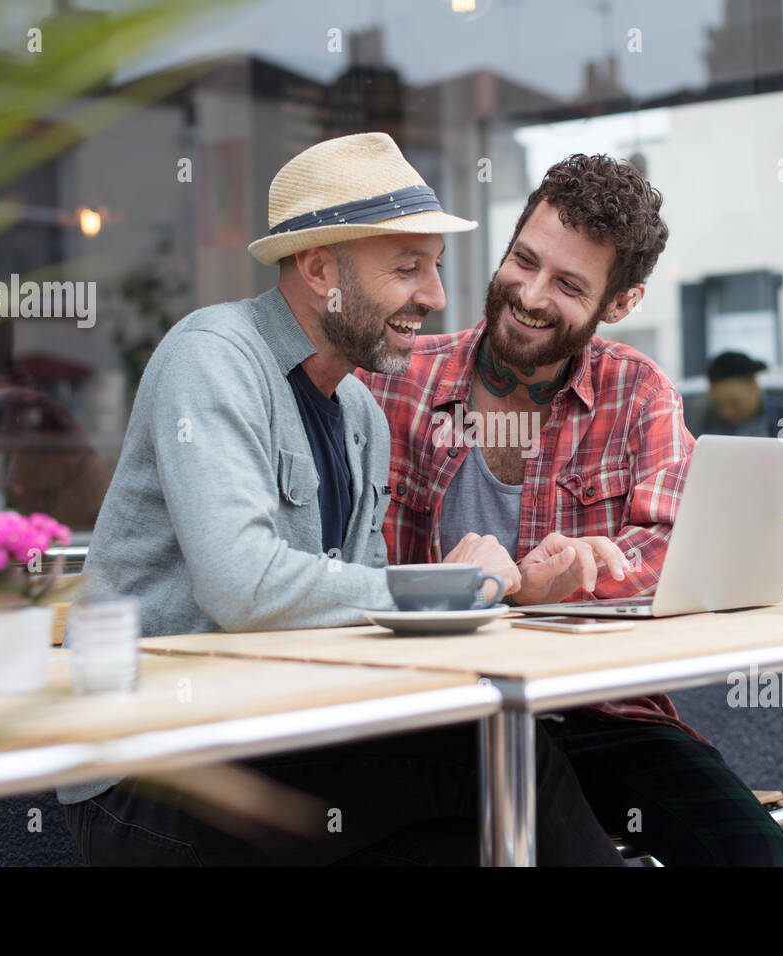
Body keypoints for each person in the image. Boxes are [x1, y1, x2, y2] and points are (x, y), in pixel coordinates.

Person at [58, 133, 623, 866]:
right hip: (149, 773)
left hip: (281, 741)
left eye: (436, 267)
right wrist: (444, 589)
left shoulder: (359, 413)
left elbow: (357, 632)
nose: (437, 296)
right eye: (407, 267)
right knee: (493, 753)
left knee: (473, 828)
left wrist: (508, 591)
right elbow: (242, 585)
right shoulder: (211, 357)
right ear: (319, 267)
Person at [360, 154, 783, 865]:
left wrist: (571, 579)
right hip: (428, 721)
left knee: (760, 859)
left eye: (567, 284)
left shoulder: (637, 393)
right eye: (523, 260)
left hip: (599, 714)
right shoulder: (393, 382)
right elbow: (342, 563)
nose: (529, 294)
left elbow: (674, 549)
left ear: (619, 303)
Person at [700, 350, 783, 439]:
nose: (727, 412)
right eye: (719, 405)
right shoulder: (709, 422)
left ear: (754, 387)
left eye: (734, 403)